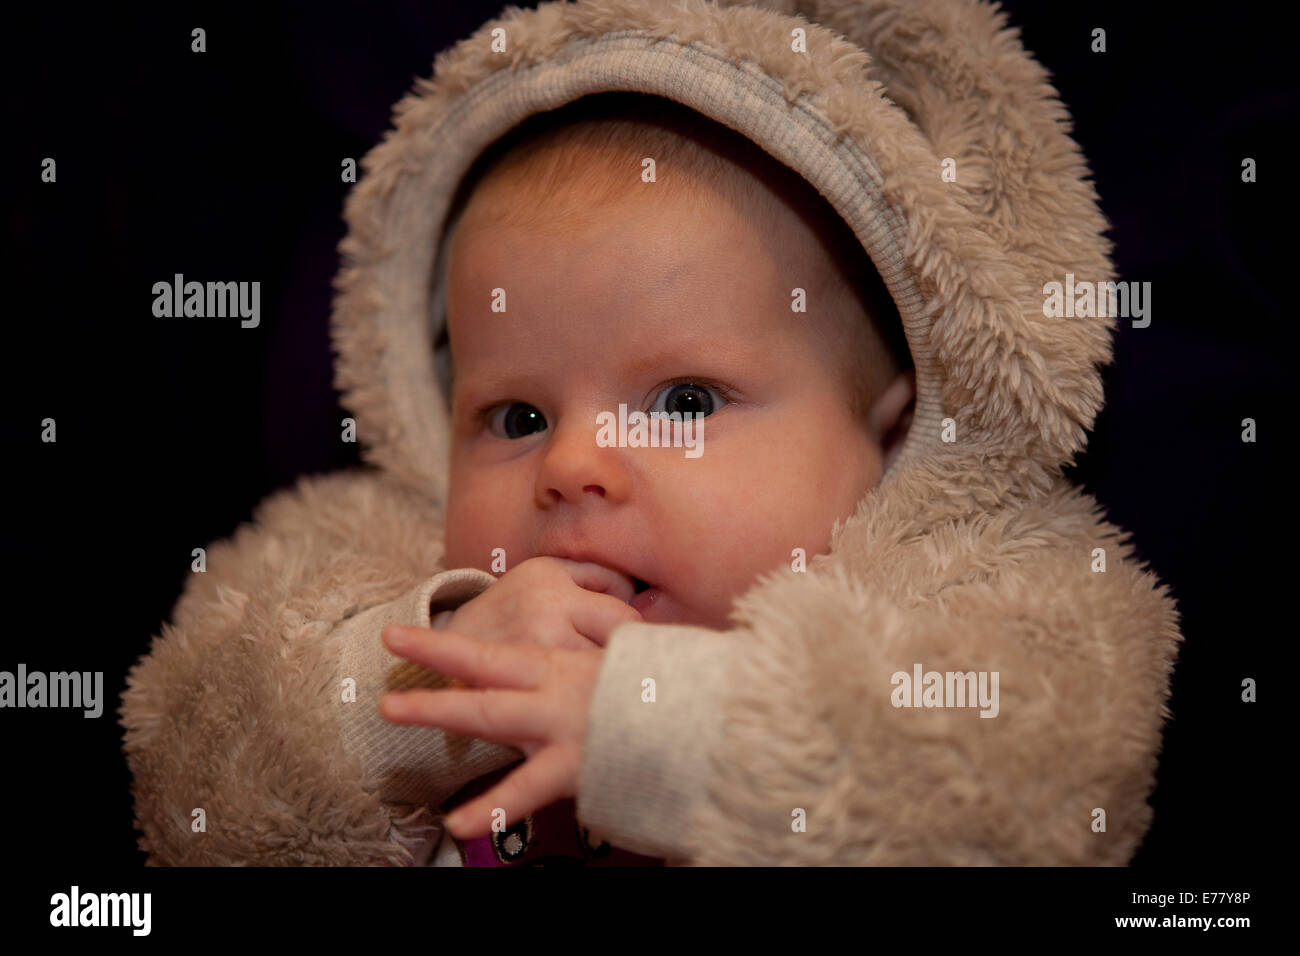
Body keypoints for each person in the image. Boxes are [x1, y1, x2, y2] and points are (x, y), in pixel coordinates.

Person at [121, 0, 1181, 866]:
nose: (573, 465)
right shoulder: (379, 558)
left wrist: (653, 730)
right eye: (517, 417)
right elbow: (194, 751)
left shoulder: (969, 603)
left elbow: (1039, 782)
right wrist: (419, 693)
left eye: (683, 402)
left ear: (890, 432)